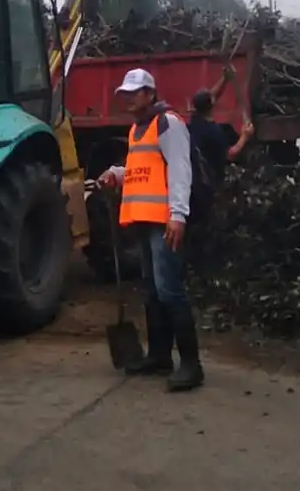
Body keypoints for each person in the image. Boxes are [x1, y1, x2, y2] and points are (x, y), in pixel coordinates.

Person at [97, 68, 205, 392]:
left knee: (169, 289)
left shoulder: (168, 124)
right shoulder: (137, 129)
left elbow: (181, 170)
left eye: (135, 92)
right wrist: (116, 174)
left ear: (150, 94)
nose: (129, 98)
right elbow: (140, 169)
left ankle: (191, 365)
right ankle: (159, 356)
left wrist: (178, 215)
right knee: (152, 290)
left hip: (164, 222)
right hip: (145, 221)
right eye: (125, 94)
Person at [183, 87, 251, 267]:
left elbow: (210, 98)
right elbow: (230, 154)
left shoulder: (193, 124)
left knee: (192, 226)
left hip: (193, 184)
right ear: (212, 105)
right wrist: (245, 136)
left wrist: (225, 80)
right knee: (206, 227)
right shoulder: (215, 133)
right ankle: (202, 263)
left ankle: (189, 263)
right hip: (208, 187)